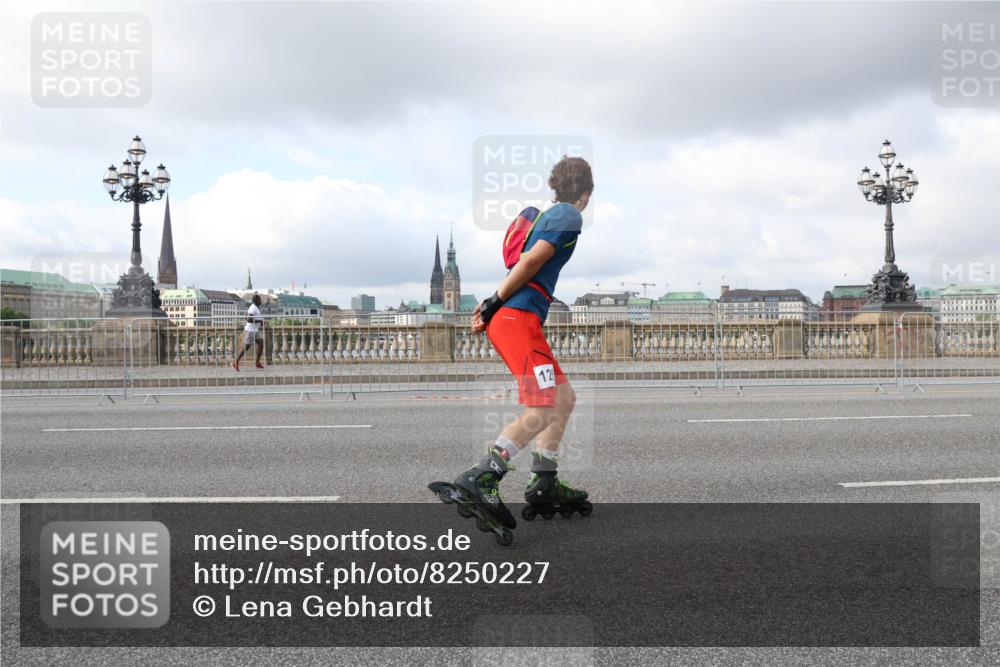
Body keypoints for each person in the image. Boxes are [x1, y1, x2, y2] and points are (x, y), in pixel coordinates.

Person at [455, 156, 594, 528]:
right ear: (587, 192)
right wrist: (493, 303)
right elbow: (531, 263)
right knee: (547, 405)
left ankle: (544, 480)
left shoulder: (547, 214)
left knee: (563, 397)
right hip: (518, 320)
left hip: (516, 319)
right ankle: (483, 475)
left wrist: (490, 306)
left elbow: (522, 265)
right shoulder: (568, 215)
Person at [232, 294, 265, 371]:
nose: (261, 301)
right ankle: (235, 362)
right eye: (260, 300)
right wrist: (260, 321)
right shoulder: (253, 307)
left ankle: (257, 363)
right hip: (250, 330)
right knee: (246, 347)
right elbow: (249, 319)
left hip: (255, 330)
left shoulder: (255, 307)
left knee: (261, 344)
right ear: (256, 301)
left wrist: (260, 322)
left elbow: (249, 317)